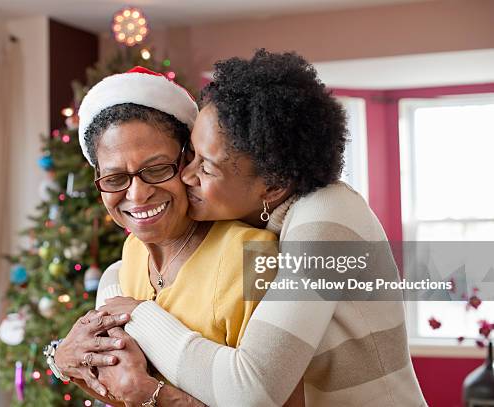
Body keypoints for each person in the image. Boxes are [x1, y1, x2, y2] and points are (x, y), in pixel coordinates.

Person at [59, 50, 427, 406]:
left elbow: (251, 391)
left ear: (271, 186)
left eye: (205, 166)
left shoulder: (328, 218)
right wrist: (70, 345)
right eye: (191, 155)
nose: (187, 175)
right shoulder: (253, 211)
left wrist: (138, 314)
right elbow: (128, 268)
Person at [50, 66, 278, 406]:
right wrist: (61, 358)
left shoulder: (250, 255)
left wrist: (153, 396)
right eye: (115, 179)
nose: (138, 195)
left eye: (156, 169)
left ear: (187, 159)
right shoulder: (132, 253)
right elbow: (122, 388)